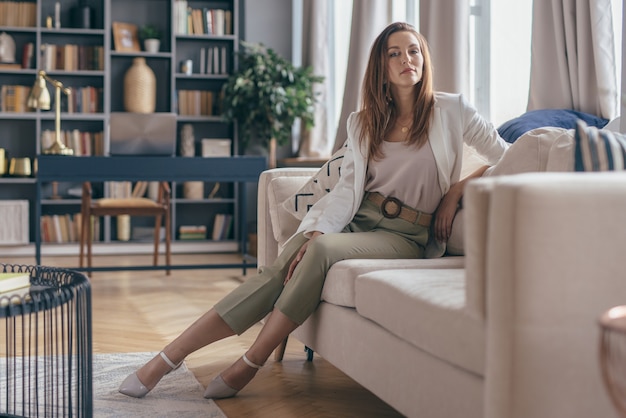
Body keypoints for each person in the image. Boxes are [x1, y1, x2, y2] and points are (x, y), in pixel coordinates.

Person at [119, 21, 509, 400]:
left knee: (318, 252)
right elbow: (345, 191)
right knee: (285, 264)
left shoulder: (454, 110)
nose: (408, 59)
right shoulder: (364, 123)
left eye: (414, 51)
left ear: (424, 58)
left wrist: (459, 187)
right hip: (358, 219)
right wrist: (317, 232)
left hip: (404, 235)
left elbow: (509, 158)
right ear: (382, 68)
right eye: (395, 53)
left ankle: (250, 362)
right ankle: (168, 357)